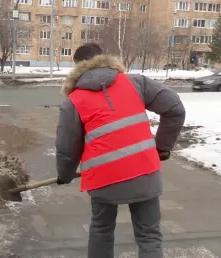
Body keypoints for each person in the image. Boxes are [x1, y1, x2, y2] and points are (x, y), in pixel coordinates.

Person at [55, 43, 186, 258]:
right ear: (104, 58)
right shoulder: (136, 83)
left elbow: (67, 147)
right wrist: (161, 148)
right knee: (149, 235)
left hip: (104, 178)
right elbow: (175, 108)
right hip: (144, 171)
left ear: (77, 66)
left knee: (101, 229)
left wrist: (65, 174)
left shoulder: (74, 100)